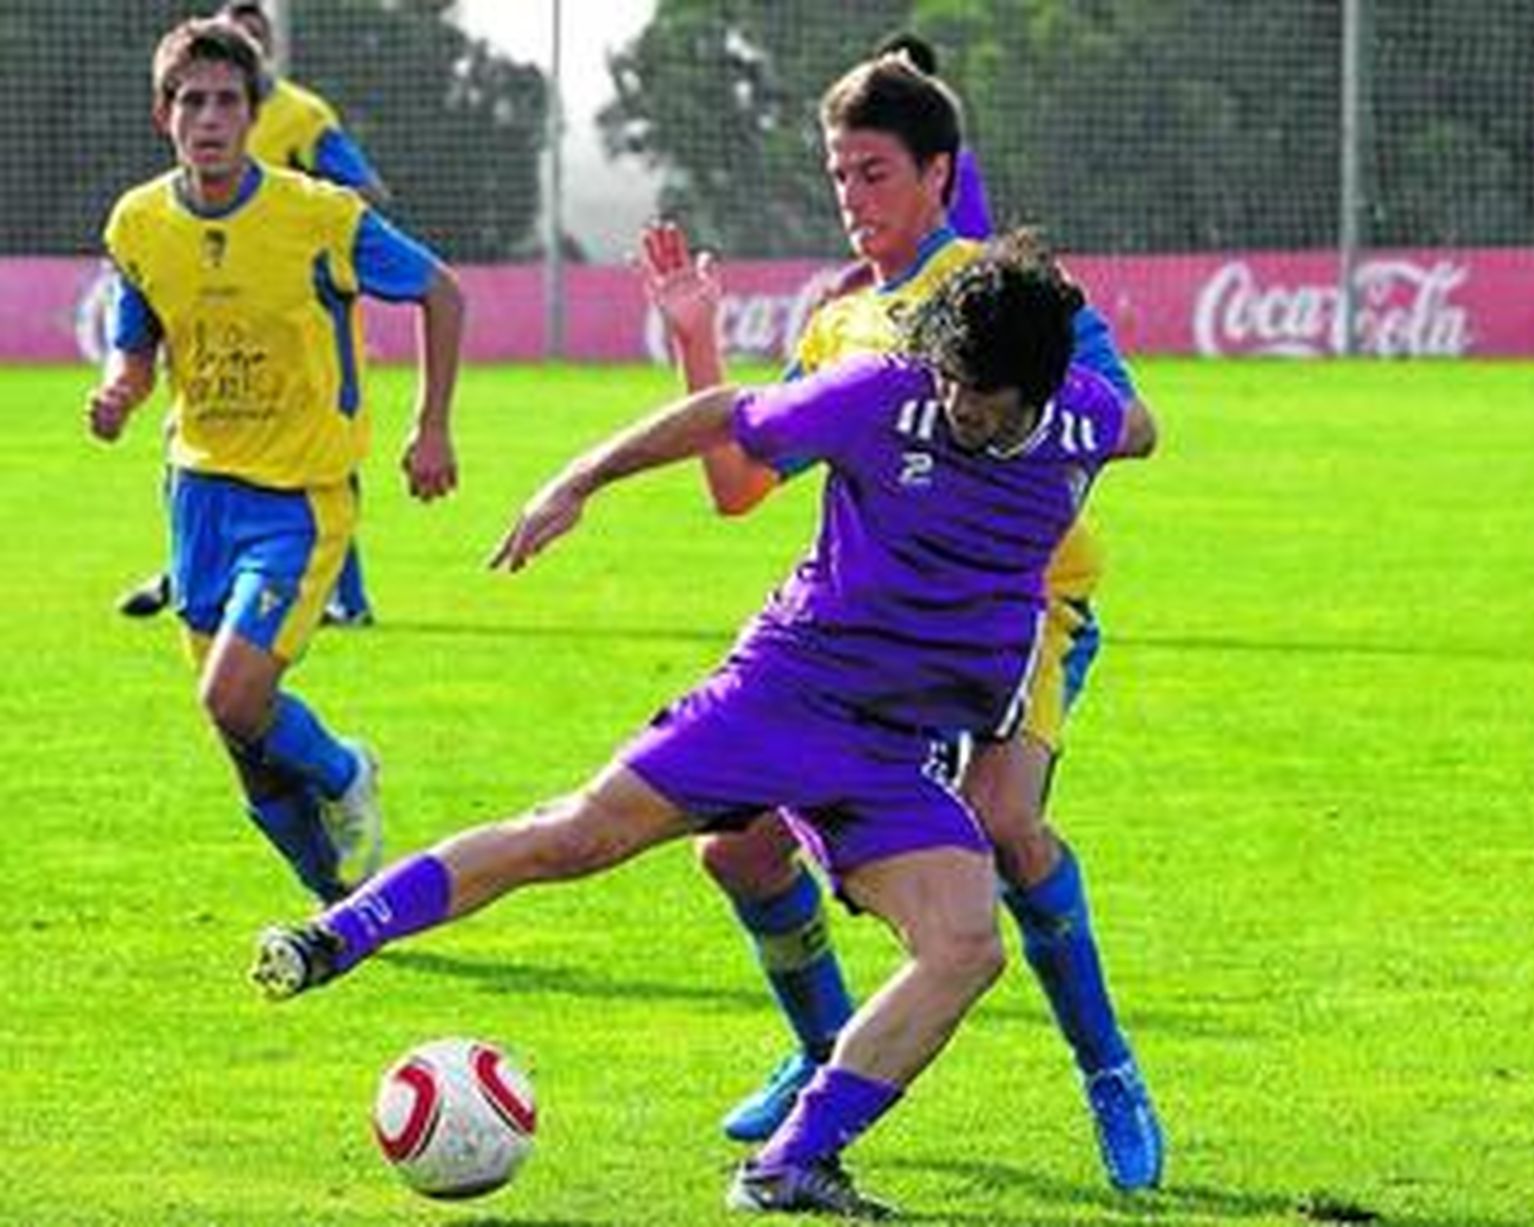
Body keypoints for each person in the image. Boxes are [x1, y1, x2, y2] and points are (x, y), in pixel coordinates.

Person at [252, 234, 1155, 1217]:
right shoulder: (881, 397)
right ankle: (334, 935)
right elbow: (727, 416)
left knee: (966, 945)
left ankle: (788, 1164)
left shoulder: (1091, 422)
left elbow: (1140, 426)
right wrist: (578, 483)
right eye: (949, 379)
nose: (955, 405)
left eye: (980, 395)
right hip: (785, 692)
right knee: (579, 835)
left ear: (1037, 390)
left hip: (894, 749)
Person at [639, 50, 1166, 1191]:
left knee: (1009, 827)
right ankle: (823, 1049)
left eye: (873, 174)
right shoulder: (838, 323)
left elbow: (1126, 418)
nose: (852, 199)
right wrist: (696, 335)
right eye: (837, 176)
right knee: (734, 846)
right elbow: (736, 487)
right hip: (872, 637)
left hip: (1023, 614)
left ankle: (1109, 1071)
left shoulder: (1014, 294)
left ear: (938, 176)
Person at [87, 18, 463, 903]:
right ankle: (331, 895)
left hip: (298, 498)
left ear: (254, 114)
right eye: (192, 101)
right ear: (163, 114)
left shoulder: (317, 215)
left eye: (226, 101)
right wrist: (117, 390)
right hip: (196, 494)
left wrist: (432, 425)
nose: (208, 118)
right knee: (240, 733)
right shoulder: (138, 223)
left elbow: (441, 290)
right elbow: (135, 341)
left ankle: (342, 771)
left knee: (232, 696)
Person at [116, 0, 389, 626]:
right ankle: (188, 572)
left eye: (254, 35)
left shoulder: (301, 114)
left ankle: (344, 594)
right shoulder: (180, 134)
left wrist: (307, 240)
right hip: (210, 294)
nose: (211, 115)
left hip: (292, 304)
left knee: (311, 438)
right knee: (195, 436)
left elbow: (367, 191)